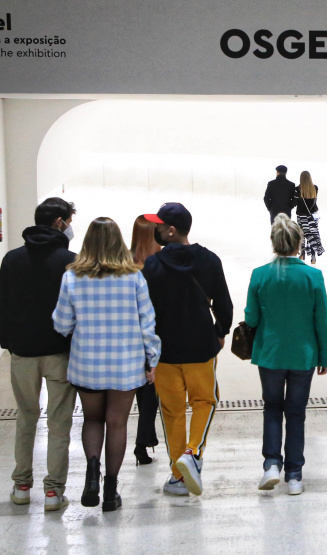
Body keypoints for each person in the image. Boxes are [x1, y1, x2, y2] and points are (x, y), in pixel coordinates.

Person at [52, 217, 161, 512]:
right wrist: (152, 360)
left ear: (87, 242)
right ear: (118, 243)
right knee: (117, 423)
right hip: (126, 365)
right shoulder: (134, 277)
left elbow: (62, 324)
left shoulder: (71, 277)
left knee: (91, 420)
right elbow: (147, 324)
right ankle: (111, 491)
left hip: (87, 363)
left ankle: (91, 475)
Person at [142, 202, 234, 497]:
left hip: (165, 350)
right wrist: (220, 332)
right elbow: (224, 304)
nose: (155, 230)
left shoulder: (152, 266)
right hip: (200, 347)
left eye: (158, 226)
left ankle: (177, 476)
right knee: (205, 401)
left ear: (170, 230)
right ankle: (193, 454)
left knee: (172, 411)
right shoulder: (209, 260)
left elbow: (145, 312)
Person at [0, 197, 78, 512]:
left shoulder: (12, 259)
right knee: (59, 423)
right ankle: (53, 493)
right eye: (69, 220)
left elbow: (5, 304)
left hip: (23, 352)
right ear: (59, 222)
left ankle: (20, 486)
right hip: (60, 352)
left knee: (26, 417)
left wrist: (7, 342)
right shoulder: (70, 260)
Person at [245, 214, 327, 495]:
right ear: (298, 244)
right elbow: (323, 321)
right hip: (303, 356)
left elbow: (252, 318)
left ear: (274, 242)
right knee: (296, 413)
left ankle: (271, 464)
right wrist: (325, 355)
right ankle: (294, 475)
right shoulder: (313, 276)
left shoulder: (260, 274)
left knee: (272, 409)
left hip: (270, 354)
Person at [130, 215, 162, 465]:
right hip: (151, 338)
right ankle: (142, 443)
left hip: (129, 340)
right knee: (149, 396)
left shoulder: (125, 264)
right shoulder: (157, 264)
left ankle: (144, 441)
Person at [295, 170, 325, 264]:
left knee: (302, 235)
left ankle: (302, 254)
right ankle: (313, 257)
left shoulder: (297, 189)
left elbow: (296, 203)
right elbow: (313, 203)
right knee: (313, 234)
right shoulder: (315, 188)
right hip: (313, 216)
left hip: (302, 216)